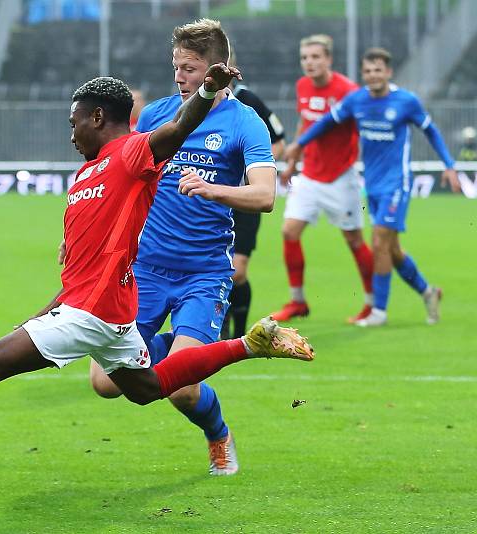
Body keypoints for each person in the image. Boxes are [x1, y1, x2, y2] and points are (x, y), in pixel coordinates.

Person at [0, 70, 315, 497]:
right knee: (145, 388)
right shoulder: (85, 173)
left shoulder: (132, 152)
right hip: (105, 311)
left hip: (93, 312)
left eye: (74, 123)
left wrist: (207, 92)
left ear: (98, 118)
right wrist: (40, 314)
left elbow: (175, 130)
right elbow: (80, 269)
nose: (70, 134)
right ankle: (250, 345)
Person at [87, 19, 280, 477]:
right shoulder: (156, 115)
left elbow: (266, 196)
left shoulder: (245, 122)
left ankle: (218, 435)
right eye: (176, 66)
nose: (179, 77)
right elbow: (119, 179)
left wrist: (213, 190)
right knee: (104, 384)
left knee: (181, 389)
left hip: (204, 275)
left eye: (189, 69)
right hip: (146, 270)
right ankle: (177, 347)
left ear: (216, 70)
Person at [283, 47, 460, 327]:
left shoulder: (406, 101)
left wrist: (449, 165)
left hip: (396, 184)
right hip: (373, 185)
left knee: (378, 243)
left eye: (378, 70)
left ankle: (378, 311)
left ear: (388, 72)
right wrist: (299, 145)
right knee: (391, 250)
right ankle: (428, 292)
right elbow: (327, 122)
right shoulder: (357, 100)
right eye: (367, 71)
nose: (373, 75)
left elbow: (431, 130)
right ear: (363, 75)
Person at [274, 34, 374, 324]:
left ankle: (371, 304)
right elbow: (305, 123)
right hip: (310, 175)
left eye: (316, 57)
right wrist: (293, 163)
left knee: (354, 240)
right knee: (289, 231)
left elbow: (360, 127)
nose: (309, 63)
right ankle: (298, 301)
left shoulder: (347, 90)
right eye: (305, 58)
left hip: (341, 177)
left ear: (329, 59)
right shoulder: (302, 86)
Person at [222, 76, 287, 341]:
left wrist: (255, 165)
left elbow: (280, 141)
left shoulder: (248, 102)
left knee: (237, 270)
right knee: (220, 270)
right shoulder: (196, 103)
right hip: (214, 200)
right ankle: (221, 327)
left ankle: (240, 331)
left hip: (246, 199)